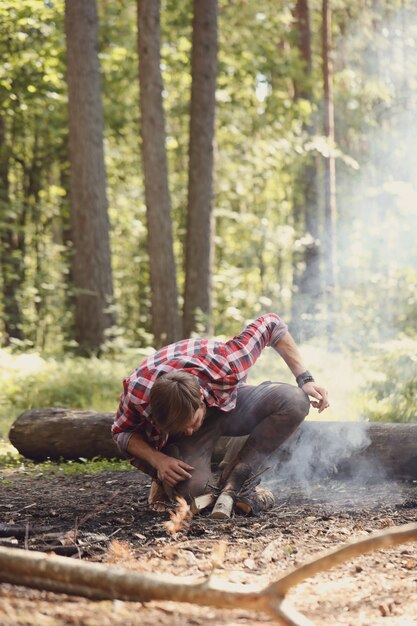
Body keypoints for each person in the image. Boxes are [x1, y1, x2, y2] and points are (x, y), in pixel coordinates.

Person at [112, 313, 329, 516]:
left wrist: (305, 379)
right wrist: (159, 460)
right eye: (180, 428)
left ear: (199, 397)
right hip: (189, 420)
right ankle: (171, 477)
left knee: (294, 401)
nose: (188, 430)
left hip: (227, 401)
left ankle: (239, 478)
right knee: (193, 494)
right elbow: (122, 432)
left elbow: (272, 324)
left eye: (192, 422)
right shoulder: (138, 392)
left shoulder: (228, 362)